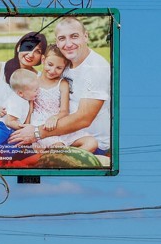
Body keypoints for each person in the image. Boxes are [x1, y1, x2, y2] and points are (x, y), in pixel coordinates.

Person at [8, 17, 111, 154]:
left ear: (85, 36)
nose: (68, 44)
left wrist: (37, 132)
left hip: (88, 140)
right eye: (62, 38)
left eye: (74, 36)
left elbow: (84, 118)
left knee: (53, 156)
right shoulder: (65, 63)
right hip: (56, 131)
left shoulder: (95, 68)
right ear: (57, 41)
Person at [0, 31, 46, 145]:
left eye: (37, 51)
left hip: (21, 133)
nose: (31, 54)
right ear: (19, 47)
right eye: (28, 47)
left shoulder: (39, 78)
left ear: (41, 57)